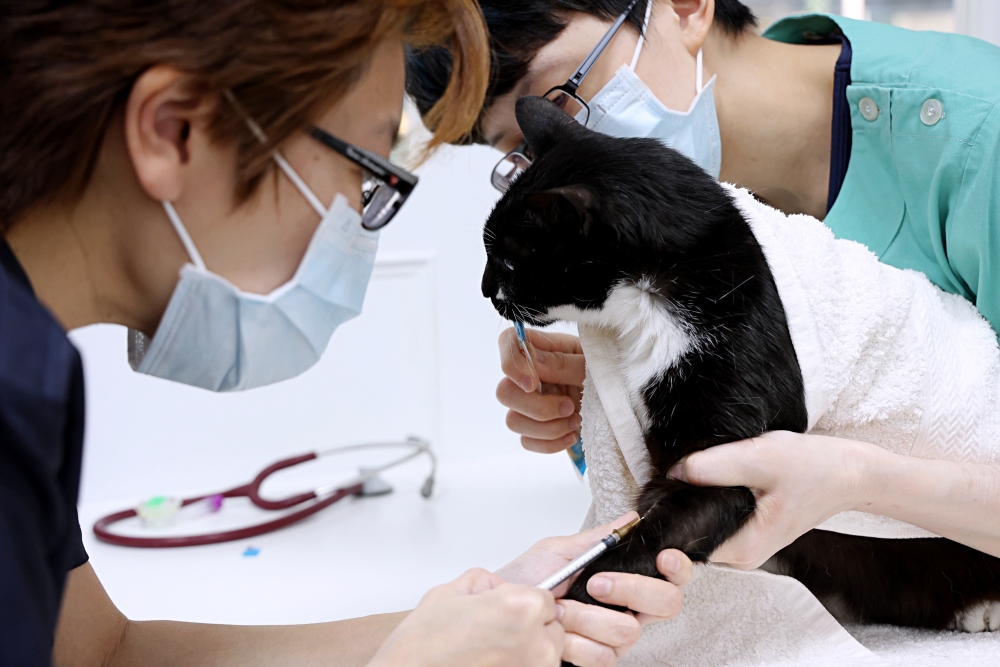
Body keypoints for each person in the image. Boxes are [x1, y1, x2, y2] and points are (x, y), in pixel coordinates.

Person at [0, 2, 694, 666]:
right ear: (174, 130)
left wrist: (485, 617)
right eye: (363, 174)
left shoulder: (33, 367)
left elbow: (95, 652)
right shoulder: (14, 384)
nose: (355, 228)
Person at [406, 0, 1000, 574]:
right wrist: (610, 395)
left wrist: (857, 478)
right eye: (519, 150)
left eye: (560, 99)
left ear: (685, 7)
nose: (554, 156)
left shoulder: (981, 139)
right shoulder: (675, 219)